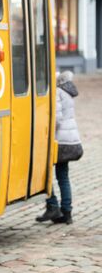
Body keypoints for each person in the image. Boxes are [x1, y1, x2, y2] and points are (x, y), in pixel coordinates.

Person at [36, 70, 83, 225]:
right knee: (63, 176)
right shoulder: (68, 91)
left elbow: (56, 118)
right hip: (70, 140)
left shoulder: (57, 92)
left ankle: (53, 205)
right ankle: (67, 213)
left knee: (45, 173)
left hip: (59, 140)